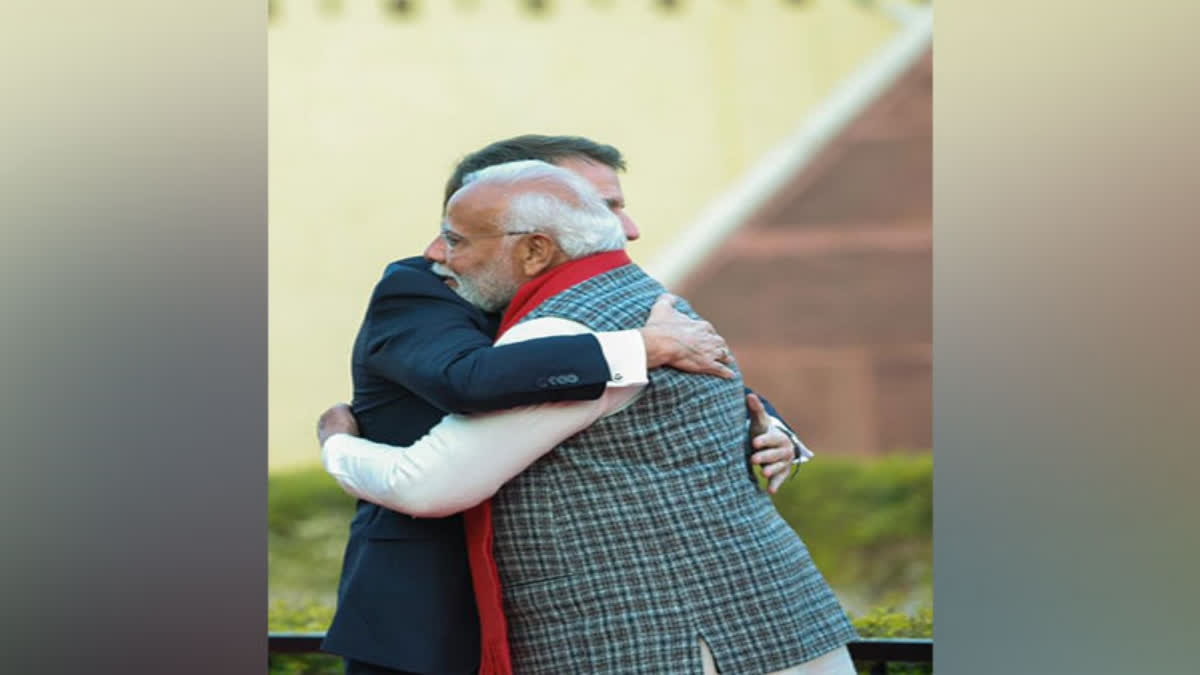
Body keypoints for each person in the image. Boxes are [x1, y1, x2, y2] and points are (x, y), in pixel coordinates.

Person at [320, 160, 857, 674]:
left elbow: (427, 485)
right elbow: (473, 378)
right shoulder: (643, 307)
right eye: (602, 205)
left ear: (536, 248)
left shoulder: (571, 324)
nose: (625, 227)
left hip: (664, 637)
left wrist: (337, 445)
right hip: (764, 620)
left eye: (457, 240)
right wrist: (640, 351)